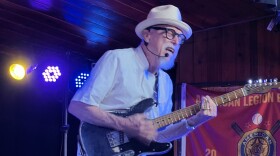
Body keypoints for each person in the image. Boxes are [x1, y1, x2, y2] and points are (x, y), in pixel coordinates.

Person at [68, 4, 217, 156]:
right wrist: (124, 124)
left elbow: (158, 136)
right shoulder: (117, 59)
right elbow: (77, 107)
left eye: (180, 38)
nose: (175, 42)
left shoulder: (165, 82)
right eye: (170, 33)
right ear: (147, 35)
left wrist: (194, 122)